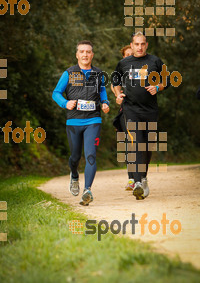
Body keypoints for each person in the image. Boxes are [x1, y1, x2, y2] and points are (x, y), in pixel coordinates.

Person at [113, 32, 170, 200]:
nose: (139, 47)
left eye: (142, 44)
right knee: (136, 142)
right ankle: (137, 182)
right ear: (131, 45)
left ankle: (143, 178)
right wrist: (118, 95)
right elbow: (115, 82)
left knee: (147, 145)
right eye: (136, 44)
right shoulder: (123, 63)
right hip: (131, 109)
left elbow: (167, 80)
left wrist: (158, 88)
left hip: (150, 110)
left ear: (146, 45)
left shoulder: (155, 61)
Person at [52, 40, 109, 206]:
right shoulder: (69, 73)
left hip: (93, 120)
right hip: (74, 121)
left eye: (88, 52)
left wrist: (105, 103)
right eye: (82, 51)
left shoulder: (98, 74)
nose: (85, 54)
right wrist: (65, 103)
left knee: (90, 155)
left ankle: (87, 190)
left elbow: (102, 91)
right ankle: (74, 175)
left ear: (92, 54)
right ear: (77, 54)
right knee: (75, 156)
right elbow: (56, 93)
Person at [112, 45, 135, 190]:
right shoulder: (121, 70)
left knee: (139, 144)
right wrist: (118, 95)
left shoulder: (143, 70)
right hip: (125, 112)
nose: (129, 57)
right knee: (129, 144)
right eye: (127, 55)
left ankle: (141, 176)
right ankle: (132, 179)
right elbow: (115, 85)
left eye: (132, 54)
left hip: (143, 111)